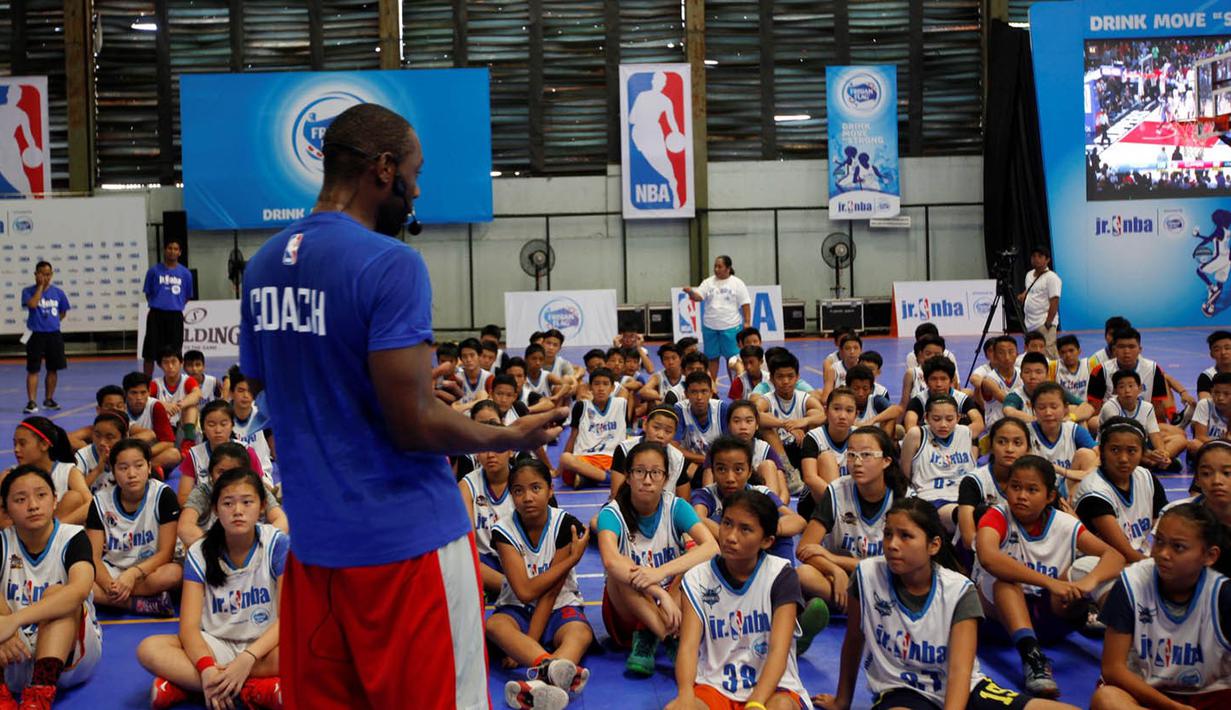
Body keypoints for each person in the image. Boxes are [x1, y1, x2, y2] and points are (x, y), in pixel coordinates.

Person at [237, 103, 563, 708]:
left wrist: (379, 391)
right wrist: (511, 436)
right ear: (383, 169)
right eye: (414, 172)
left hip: (316, 555)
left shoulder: (260, 269)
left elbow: (272, 396)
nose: (418, 189)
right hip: (408, 551)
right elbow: (414, 428)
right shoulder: (391, 263)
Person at [812, 498, 1078, 710]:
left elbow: (960, 671)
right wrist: (842, 701)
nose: (892, 545)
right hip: (902, 692)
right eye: (888, 534)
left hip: (963, 688)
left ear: (934, 545)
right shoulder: (866, 575)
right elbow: (853, 639)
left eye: (906, 536)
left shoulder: (959, 590)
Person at [972, 456, 1124, 697]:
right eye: (1015, 487)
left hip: (1051, 615)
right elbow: (989, 557)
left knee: (1090, 566)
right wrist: (1050, 582)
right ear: (1006, 488)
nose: (1021, 495)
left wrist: (1087, 583)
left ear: (1050, 496)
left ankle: (1126, 655)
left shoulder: (1064, 524)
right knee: (1003, 580)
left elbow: (1114, 555)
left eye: (1032, 489)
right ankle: (1032, 657)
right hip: (999, 621)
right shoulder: (996, 516)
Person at [137, 468, 285, 710]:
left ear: (261, 508)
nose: (238, 511)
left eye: (247, 502)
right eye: (228, 503)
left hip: (264, 648)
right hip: (216, 644)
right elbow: (188, 629)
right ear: (216, 509)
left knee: (314, 650)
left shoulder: (277, 544)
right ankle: (252, 690)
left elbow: (286, 620)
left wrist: (248, 658)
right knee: (149, 648)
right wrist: (205, 668)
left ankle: (184, 686)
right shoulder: (200, 551)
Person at [667, 490, 814, 710]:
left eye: (745, 529)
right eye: (727, 523)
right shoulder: (697, 577)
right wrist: (685, 694)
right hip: (716, 686)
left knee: (781, 706)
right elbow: (687, 647)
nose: (731, 536)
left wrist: (756, 703)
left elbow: (779, 651)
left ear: (767, 541)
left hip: (774, 688)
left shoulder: (781, 575)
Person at [1091, 504, 1231, 710]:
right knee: (1107, 700)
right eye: (1159, 542)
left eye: (1178, 547)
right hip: (1147, 693)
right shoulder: (1132, 584)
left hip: (1209, 694)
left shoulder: (1222, 594)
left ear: (1210, 556)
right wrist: (1172, 707)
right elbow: (1112, 668)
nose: (1163, 553)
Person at [596, 441, 717, 676]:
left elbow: (711, 548)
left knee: (698, 562)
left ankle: (650, 636)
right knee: (619, 572)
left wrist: (661, 573)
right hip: (627, 613)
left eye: (655, 472)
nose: (648, 479)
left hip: (671, 605)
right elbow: (610, 560)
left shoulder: (676, 507)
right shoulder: (611, 513)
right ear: (628, 477)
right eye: (640, 471)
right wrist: (658, 591)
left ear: (665, 478)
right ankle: (671, 640)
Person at [488, 460, 593, 710]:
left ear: (550, 490)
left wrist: (525, 646)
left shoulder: (566, 525)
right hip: (517, 609)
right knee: (494, 625)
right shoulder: (503, 530)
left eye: (536, 488)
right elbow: (524, 592)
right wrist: (571, 561)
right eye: (518, 490)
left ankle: (535, 689)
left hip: (558, 605)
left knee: (580, 633)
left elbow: (549, 594)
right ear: (511, 495)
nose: (527, 497)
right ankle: (551, 667)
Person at [0, 466, 102, 708]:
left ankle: (39, 696)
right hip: (15, 652)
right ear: (6, 510)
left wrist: (13, 621)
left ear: (55, 500)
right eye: (20, 499)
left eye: (41, 495)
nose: (33, 505)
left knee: (58, 595)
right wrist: (4, 627)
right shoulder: (4, 542)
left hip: (71, 654)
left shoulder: (73, 537)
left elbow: (79, 590)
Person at [796, 426, 905, 613]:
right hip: (843, 580)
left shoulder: (904, 497)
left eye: (866, 455)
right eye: (852, 455)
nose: (857, 462)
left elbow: (900, 562)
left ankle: (852, 606)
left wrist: (834, 560)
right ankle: (868, 607)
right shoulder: (836, 491)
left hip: (885, 578)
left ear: (886, 461)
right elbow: (804, 548)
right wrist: (834, 570)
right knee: (803, 574)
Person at [85, 439, 181, 617]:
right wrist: (108, 585)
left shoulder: (163, 495)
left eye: (138, 465)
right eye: (123, 468)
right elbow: (94, 557)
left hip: (148, 570)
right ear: (113, 471)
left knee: (173, 574)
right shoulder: (100, 501)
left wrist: (132, 574)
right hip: (112, 571)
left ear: (149, 467)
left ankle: (119, 600)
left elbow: (165, 553)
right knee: (80, 580)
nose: (131, 474)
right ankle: (137, 604)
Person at [690, 436, 805, 563]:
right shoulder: (705, 495)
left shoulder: (760, 492)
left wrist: (759, 532)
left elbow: (798, 521)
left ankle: (782, 574)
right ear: (713, 471)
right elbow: (697, 518)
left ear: (749, 471)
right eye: (721, 469)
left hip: (757, 555)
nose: (730, 478)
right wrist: (734, 537)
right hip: (723, 557)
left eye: (738, 469)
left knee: (779, 531)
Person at [1072, 418, 1168, 564]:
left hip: (1137, 557)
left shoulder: (1146, 478)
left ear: (1143, 452)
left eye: (1132, 451)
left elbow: (1163, 528)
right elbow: (1124, 552)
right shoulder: (1093, 492)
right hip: (1101, 563)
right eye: (1115, 450)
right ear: (1102, 451)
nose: (1123, 458)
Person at [178, 442, 288, 549]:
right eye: (221, 472)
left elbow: (282, 521)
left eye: (234, 471)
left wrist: (257, 545)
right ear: (211, 474)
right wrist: (217, 548)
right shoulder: (203, 492)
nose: (227, 477)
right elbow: (185, 527)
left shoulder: (257, 489)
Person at [900, 395, 976, 532]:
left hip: (965, 497)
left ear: (958, 417)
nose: (943, 424)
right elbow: (904, 478)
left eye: (949, 419)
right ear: (926, 418)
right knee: (968, 517)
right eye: (936, 419)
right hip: (932, 499)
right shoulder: (916, 435)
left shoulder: (965, 433)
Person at [956, 417, 1030, 550]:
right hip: (978, 551)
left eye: (1017, 443)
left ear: (1028, 449)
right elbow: (968, 538)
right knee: (982, 513)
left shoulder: (1036, 480)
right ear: (990, 446)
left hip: (1023, 550)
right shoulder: (973, 480)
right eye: (1001, 442)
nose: (1009, 449)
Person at [178, 400, 269, 505]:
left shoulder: (246, 451)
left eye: (223, 424)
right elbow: (183, 497)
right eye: (211, 424)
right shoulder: (194, 455)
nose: (218, 430)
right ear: (203, 427)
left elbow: (259, 490)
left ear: (232, 425)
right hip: (206, 511)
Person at [7, 417, 92, 526]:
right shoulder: (10, 476)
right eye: (15, 444)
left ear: (44, 445)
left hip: (58, 536)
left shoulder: (68, 471)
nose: (16, 449)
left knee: (73, 498)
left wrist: (55, 530)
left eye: (22, 444)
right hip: (25, 535)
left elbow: (90, 504)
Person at [558, 368, 633, 489]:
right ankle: (610, 479)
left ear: (612, 387)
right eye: (596, 384)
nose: (601, 388)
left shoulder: (621, 404)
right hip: (586, 459)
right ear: (590, 387)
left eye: (605, 384)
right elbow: (573, 436)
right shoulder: (581, 406)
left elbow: (628, 433)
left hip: (613, 459)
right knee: (565, 458)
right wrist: (559, 469)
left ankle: (589, 478)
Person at [682, 256, 752, 381]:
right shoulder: (708, 282)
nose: (716, 269)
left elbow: (745, 304)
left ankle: (735, 386)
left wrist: (747, 322)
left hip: (731, 327)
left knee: (733, 360)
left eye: (719, 266)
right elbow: (698, 297)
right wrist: (691, 292)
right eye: (715, 266)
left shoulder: (737, 283)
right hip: (710, 328)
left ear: (728, 268)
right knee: (712, 358)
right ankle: (712, 387)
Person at [21, 261, 70, 414]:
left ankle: (49, 399)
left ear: (52, 274)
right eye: (42, 274)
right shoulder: (28, 291)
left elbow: (63, 312)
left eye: (48, 274)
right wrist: (41, 287)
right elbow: (33, 304)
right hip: (35, 335)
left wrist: (52, 323)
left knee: (53, 369)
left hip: (54, 335)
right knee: (33, 369)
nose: (45, 277)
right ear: (36, 274)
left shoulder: (59, 293)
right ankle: (32, 402)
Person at [142, 240, 193, 378]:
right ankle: (146, 382)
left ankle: (175, 381)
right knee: (150, 352)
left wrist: (173, 305)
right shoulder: (153, 271)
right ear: (165, 250)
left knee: (175, 352)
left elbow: (187, 296)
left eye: (176, 248)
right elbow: (148, 293)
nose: (172, 251)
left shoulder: (186, 274)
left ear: (180, 252)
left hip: (175, 316)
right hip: (156, 315)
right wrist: (160, 303)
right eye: (169, 248)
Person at [121, 372, 182, 474]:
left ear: (149, 391)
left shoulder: (155, 406)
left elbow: (168, 443)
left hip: (150, 454)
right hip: (125, 454)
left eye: (143, 392)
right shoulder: (119, 408)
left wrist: (142, 454)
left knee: (174, 454)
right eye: (134, 393)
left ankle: (141, 470)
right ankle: (150, 471)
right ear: (125, 393)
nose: (139, 397)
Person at [150, 348, 202, 444]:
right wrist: (164, 405)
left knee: (191, 407)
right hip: (163, 429)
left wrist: (179, 406)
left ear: (181, 363)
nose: (170, 366)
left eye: (173, 362)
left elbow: (197, 394)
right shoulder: (156, 384)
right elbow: (145, 398)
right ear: (160, 365)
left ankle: (188, 443)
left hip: (182, 427)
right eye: (166, 363)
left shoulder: (187, 381)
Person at [1018, 249, 1061, 357]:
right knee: (1033, 354)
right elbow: (1029, 288)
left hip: (1044, 323)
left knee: (1048, 353)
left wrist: (1048, 323)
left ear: (1047, 260)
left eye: (1040, 256)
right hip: (1030, 323)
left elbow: (1054, 301)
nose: (1036, 259)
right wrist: (1023, 295)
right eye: (1034, 256)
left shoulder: (1052, 278)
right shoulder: (1029, 275)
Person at [74, 412, 126, 493]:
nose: (102, 442)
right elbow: (75, 491)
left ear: (123, 438)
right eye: (97, 435)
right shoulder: (83, 455)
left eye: (109, 437)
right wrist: (98, 470)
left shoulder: (129, 455)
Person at [1189, 372, 1231, 455]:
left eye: (1226, 394)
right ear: (1211, 391)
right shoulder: (1205, 404)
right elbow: (1200, 437)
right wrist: (1222, 446)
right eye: (1216, 393)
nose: (1220, 398)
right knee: (1194, 444)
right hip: (1209, 448)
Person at [1052, 334, 1091, 402]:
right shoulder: (1053, 367)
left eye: (1071, 350)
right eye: (1063, 352)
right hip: (1063, 409)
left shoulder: (1090, 364)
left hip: (1086, 408)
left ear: (1079, 351)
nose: (1068, 355)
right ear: (1059, 354)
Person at [1197, 331, 1231, 400]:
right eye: (1217, 350)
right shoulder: (1207, 377)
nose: (1223, 352)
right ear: (1211, 354)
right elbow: (1205, 403)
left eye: (1227, 348)